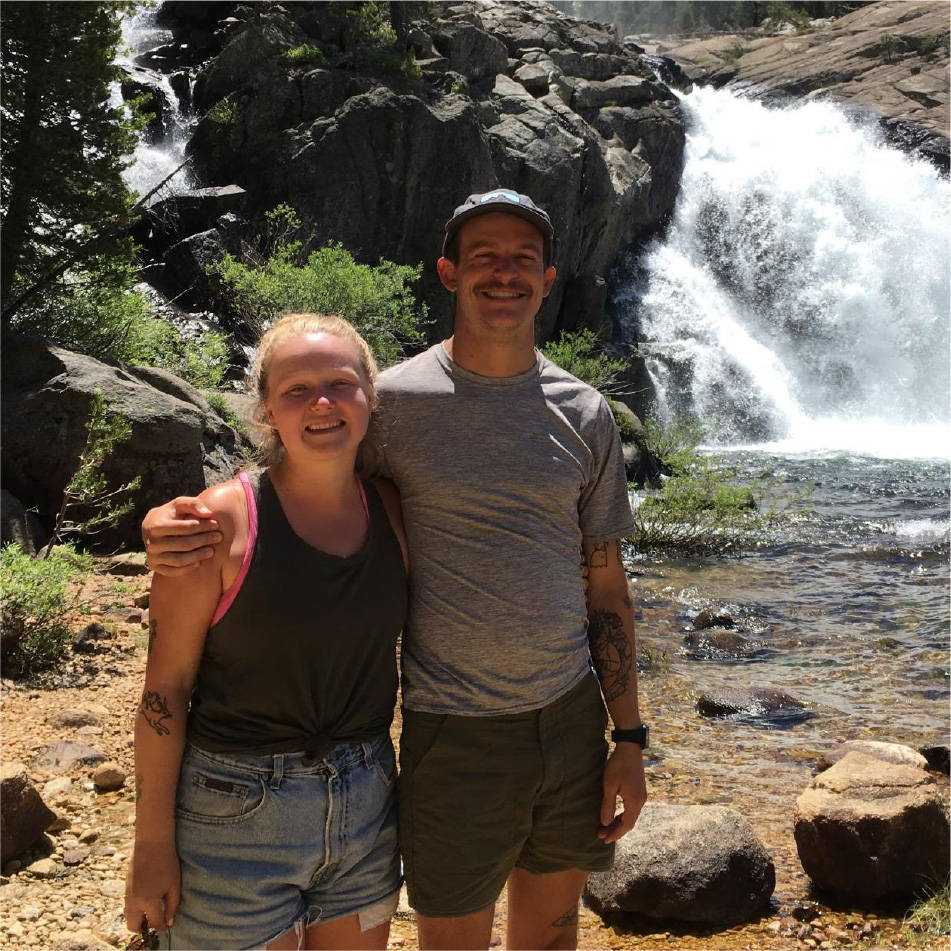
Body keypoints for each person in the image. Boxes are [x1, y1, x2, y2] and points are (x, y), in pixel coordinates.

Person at [142, 189, 648, 951]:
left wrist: (630, 736)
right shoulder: (395, 405)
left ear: (548, 279)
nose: (503, 273)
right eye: (483, 256)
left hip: (564, 718)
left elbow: (604, 584)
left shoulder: (585, 414)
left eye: (523, 259)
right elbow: (300, 471)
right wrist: (178, 521)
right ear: (447, 272)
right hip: (448, 728)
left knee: (550, 932)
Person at [126, 313, 410, 951]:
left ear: (370, 395)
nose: (322, 404)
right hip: (233, 814)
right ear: (267, 413)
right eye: (296, 390)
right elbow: (165, 689)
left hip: (365, 803)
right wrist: (150, 846)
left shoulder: (393, 510)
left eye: (340, 383)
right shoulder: (215, 523)